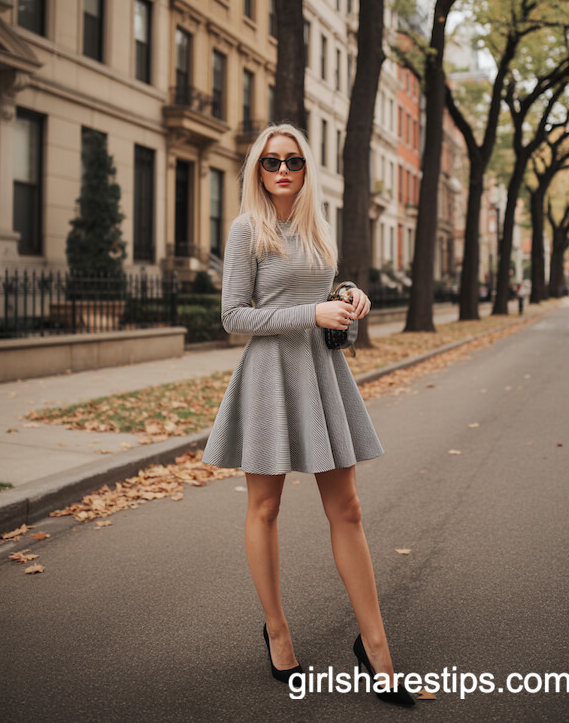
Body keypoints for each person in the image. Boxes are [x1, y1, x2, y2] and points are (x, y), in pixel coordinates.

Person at [202, 122, 415, 707]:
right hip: (269, 375)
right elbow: (234, 318)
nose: (282, 171)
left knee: (347, 508)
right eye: (270, 162)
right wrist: (311, 313)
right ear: (257, 170)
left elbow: (318, 285)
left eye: (292, 160)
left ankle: (377, 650)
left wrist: (347, 294)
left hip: (322, 375)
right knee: (265, 507)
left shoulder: (318, 228)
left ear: (306, 167)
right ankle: (277, 632)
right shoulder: (247, 229)